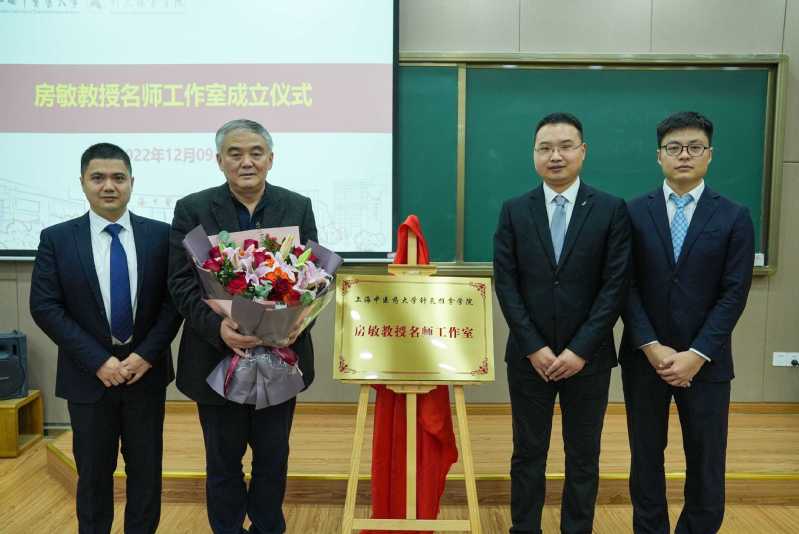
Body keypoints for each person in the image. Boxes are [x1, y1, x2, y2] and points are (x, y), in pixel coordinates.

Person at [168, 118, 317, 534]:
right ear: (220, 161)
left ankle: (268, 527)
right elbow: (180, 283)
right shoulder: (193, 209)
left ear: (271, 159)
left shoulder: (297, 205)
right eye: (235, 154)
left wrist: (295, 324)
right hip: (216, 360)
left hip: (281, 357)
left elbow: (313, 276)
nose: (246, 162)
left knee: (273, 458)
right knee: (222, 462)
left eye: (255, 153)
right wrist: (218, 329)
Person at [29, 143, 182, 534]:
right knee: (94, 478)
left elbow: (174, 303)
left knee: (146, 475)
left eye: (118, 177)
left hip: (145, 375)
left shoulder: (161, 236)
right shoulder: (57, 238)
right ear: (82, 182)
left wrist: (146, 355)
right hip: (88, 378)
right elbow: (45, 307)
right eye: (98, 177)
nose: (109, 186)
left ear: (132, 182)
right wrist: (98, 360)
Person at [493, 112, 631, 534]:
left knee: (583, 455)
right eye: (545, 148)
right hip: (529, 359)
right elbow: (506, 283)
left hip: (588, 360)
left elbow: (615, 287)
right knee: (527, 453)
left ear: (582, 151)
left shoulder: (611, 210)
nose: (555, 156)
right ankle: (524, 528)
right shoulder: (514, 210)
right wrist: (533, 346)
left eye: (565, 146)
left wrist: (579, 350)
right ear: (534, 154)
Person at [620, 111, 754, 534]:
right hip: (646, 360)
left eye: (694, 147)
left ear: (709, 155)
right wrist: (650, 345)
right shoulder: (631, 212)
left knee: (707, 459)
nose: (684, 155)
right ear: (658, 155)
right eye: (674, 147)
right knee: (646, 457)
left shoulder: (734, 216)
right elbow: (624, 286)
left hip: (707, 363)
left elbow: (734, 293)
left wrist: (696, 354)